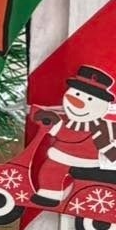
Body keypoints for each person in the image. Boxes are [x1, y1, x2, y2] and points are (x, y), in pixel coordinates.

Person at [30, 64, 116, 207]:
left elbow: (65, 133)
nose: (78, 102)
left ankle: (50, 194)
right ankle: (50, 194)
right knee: (50, 170)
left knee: (52, 169)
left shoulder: (98, 127)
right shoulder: (69, 121)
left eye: (89, 99)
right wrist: (43, 115)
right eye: (77, 94)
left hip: (85, 159)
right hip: (64, 155)